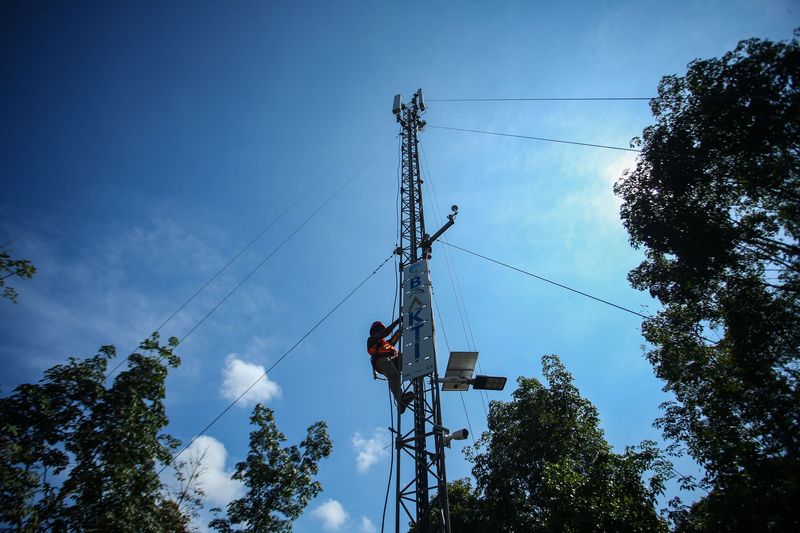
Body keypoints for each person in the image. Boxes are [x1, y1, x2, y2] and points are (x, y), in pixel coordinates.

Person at [367, 318, 414, 413]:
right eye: (377, 330)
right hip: (382, 361)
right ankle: (400, 399)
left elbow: (396, 336)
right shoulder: (372, 340)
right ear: (373, 332)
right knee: (394, 376)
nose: (379, 331)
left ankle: (417, 373)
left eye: (380, 329)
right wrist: (397, 322)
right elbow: (385, 333)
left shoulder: (387, 343)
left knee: (409, 357)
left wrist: (406, 324)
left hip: (393, 360)